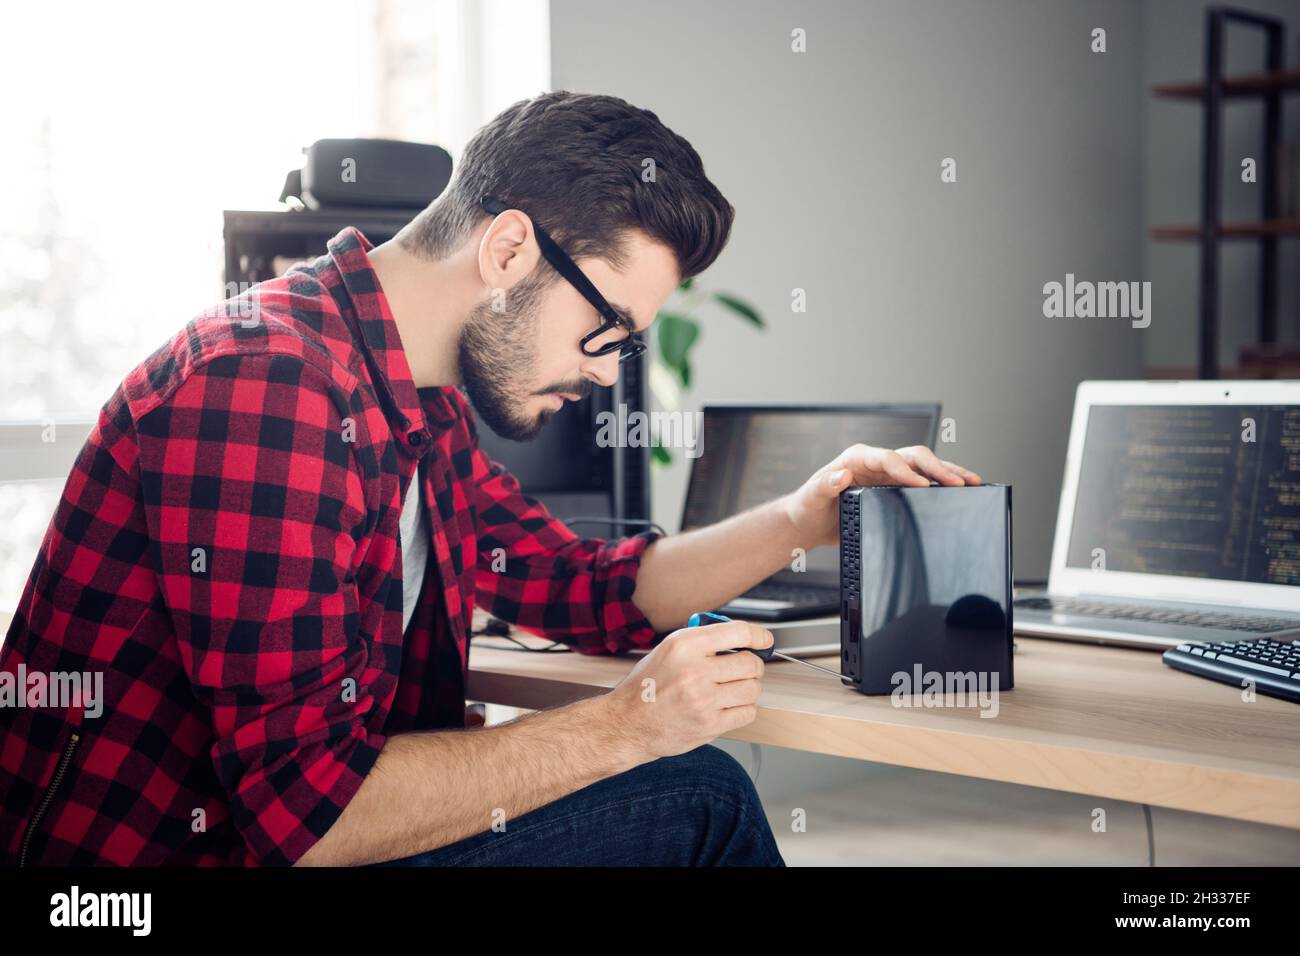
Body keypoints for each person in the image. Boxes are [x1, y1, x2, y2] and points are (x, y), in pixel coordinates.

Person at [0, 91, 979, 867]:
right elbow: (311, 815)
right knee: (698, 802)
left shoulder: (413, 397)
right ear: (508, 249)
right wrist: (632, 721)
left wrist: (803, 517)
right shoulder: (270, 382)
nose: (606, 369)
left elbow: (587, 588)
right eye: (607, 331)